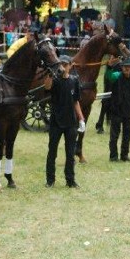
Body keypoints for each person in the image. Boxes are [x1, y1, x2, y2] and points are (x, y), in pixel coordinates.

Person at [44, 56, 85, 188]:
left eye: (65, 64)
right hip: (56, 121)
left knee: (70, 153)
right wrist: (51, 74)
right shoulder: (55, 80)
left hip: (71, 122)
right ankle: (50, 180)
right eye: (61, 64)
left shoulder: (74, 81)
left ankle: (70, 180)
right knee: (52, 152)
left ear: (70, 65)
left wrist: (81, 118)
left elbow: (76, 101)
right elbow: (47, 86)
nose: (63, 67)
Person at [105, 56, 130, 162]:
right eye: (125, 67)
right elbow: (108, 76)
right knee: (114, 135)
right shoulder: (116, 76)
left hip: (128, 111)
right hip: (116, 110)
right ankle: (113, 156)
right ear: (122, 67)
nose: (127, 68)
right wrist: (109, 66)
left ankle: (124, 155)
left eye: (129, 67)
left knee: (127, 135)